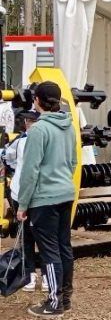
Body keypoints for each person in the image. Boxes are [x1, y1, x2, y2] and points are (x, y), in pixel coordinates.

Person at [16, 81, 77, 316]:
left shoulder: (39, 130)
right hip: (65, 194)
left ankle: (54, 303)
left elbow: (30, 171)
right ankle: (65, 297)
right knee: (64, 247)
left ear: (37, 101)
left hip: (44, 199)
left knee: (49, 252)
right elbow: (73, 162)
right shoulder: (68, 126)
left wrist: (23, 204)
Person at [2, 110, 45, 293]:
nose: (29, 123)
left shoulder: (30, 140)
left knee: (35, 236)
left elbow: (7, 158)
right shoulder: (21, 140)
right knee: (32, 236)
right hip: (28, 193)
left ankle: (37, 275)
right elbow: (7, 157)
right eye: (28, 120)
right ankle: (34, 275)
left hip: (33, 193)